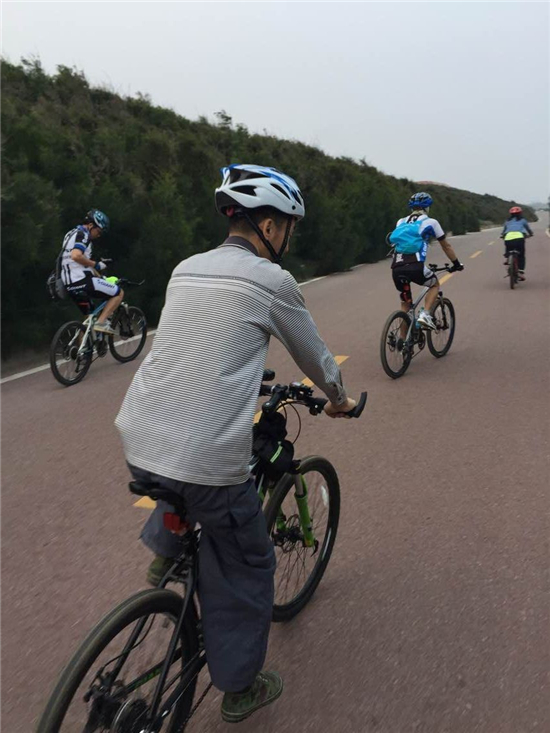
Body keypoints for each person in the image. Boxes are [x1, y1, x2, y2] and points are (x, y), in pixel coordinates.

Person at [115, 164, 359, 723]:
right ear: (269, 225)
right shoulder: (272, 281)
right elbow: (315, 355)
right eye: (289, 226)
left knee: (184, 477)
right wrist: (339, 398)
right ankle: (240, 688)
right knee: (248, 562)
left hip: (139, 435)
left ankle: (166, 556)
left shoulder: (186, 268)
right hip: (203, 459)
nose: (288, 237)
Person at [389, 192, 464, 330]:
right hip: (415, 266)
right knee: (434, 284)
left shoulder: (400, 222)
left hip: (397, 268)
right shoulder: (431, 222)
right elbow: (446, 246)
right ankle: (425, 315)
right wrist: (456, 264)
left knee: (405, 307)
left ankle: (402, 340)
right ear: (427, 207)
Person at [60, 209, 123, 333]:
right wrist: (96, 265)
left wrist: (100, 277)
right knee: (118, 293)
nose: (99, 235)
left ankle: (82, 345)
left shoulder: (71, 234)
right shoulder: (83, 235)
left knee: (88, 319)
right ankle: (101, 323)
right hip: (81, 281)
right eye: (98, 231)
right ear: (90, 225)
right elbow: (76, 256)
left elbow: (81, 264)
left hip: (69, 284)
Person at [500, 206, 533, 281]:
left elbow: (504, 230)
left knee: (508, 249)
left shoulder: (507, 221)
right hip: (519, 238)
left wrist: (502, 235)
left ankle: (507, 258)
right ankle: (521, 272)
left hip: (508, 238)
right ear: (520, 213)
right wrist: (531, 234)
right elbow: (528, 229)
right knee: (521, 255)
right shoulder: (523, 220)